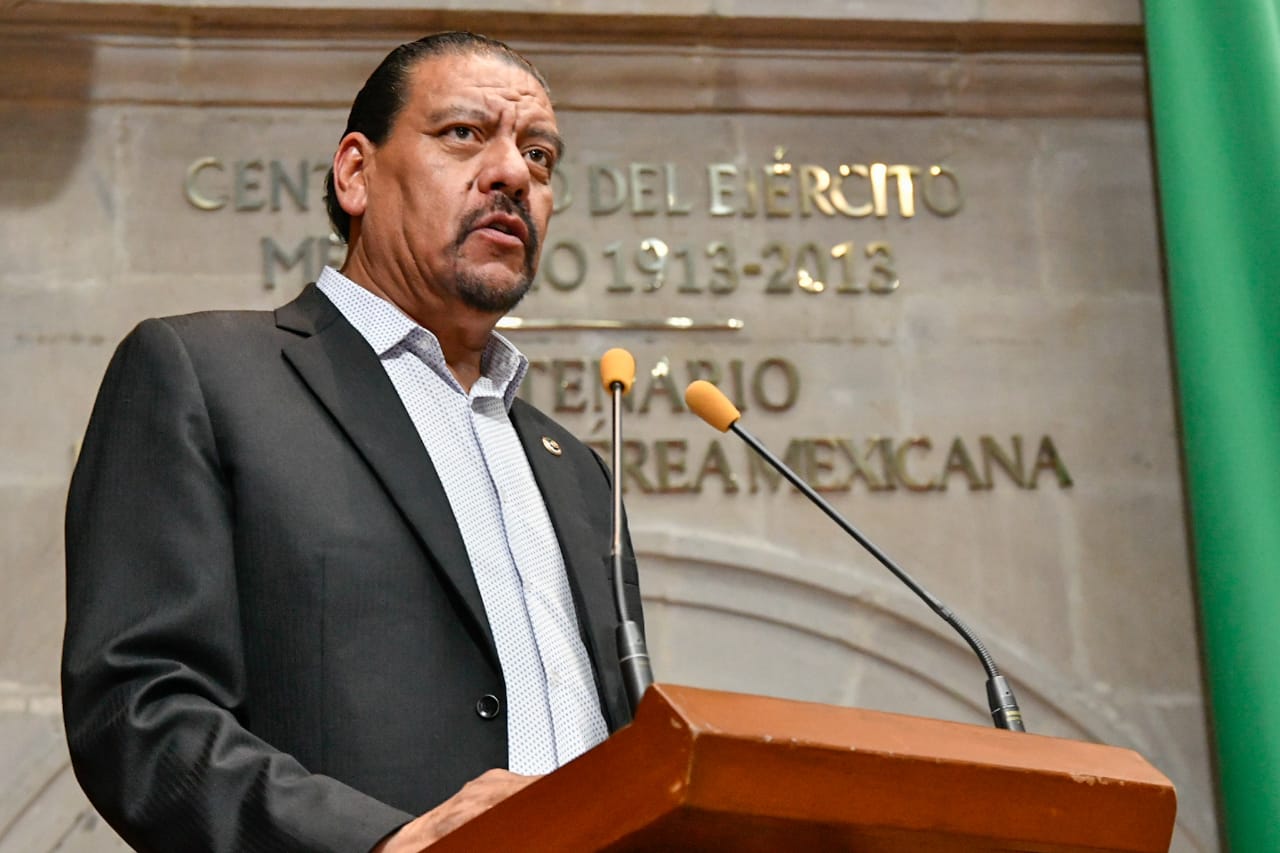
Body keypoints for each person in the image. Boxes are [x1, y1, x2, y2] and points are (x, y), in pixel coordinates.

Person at [61, 32, 643, 853]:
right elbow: (140, 710)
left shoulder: (575, 468)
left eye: (540, 156)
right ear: (355, 174)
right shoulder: (208, 376)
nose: (514, 173)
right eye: (464, 134)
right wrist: (383, 842)